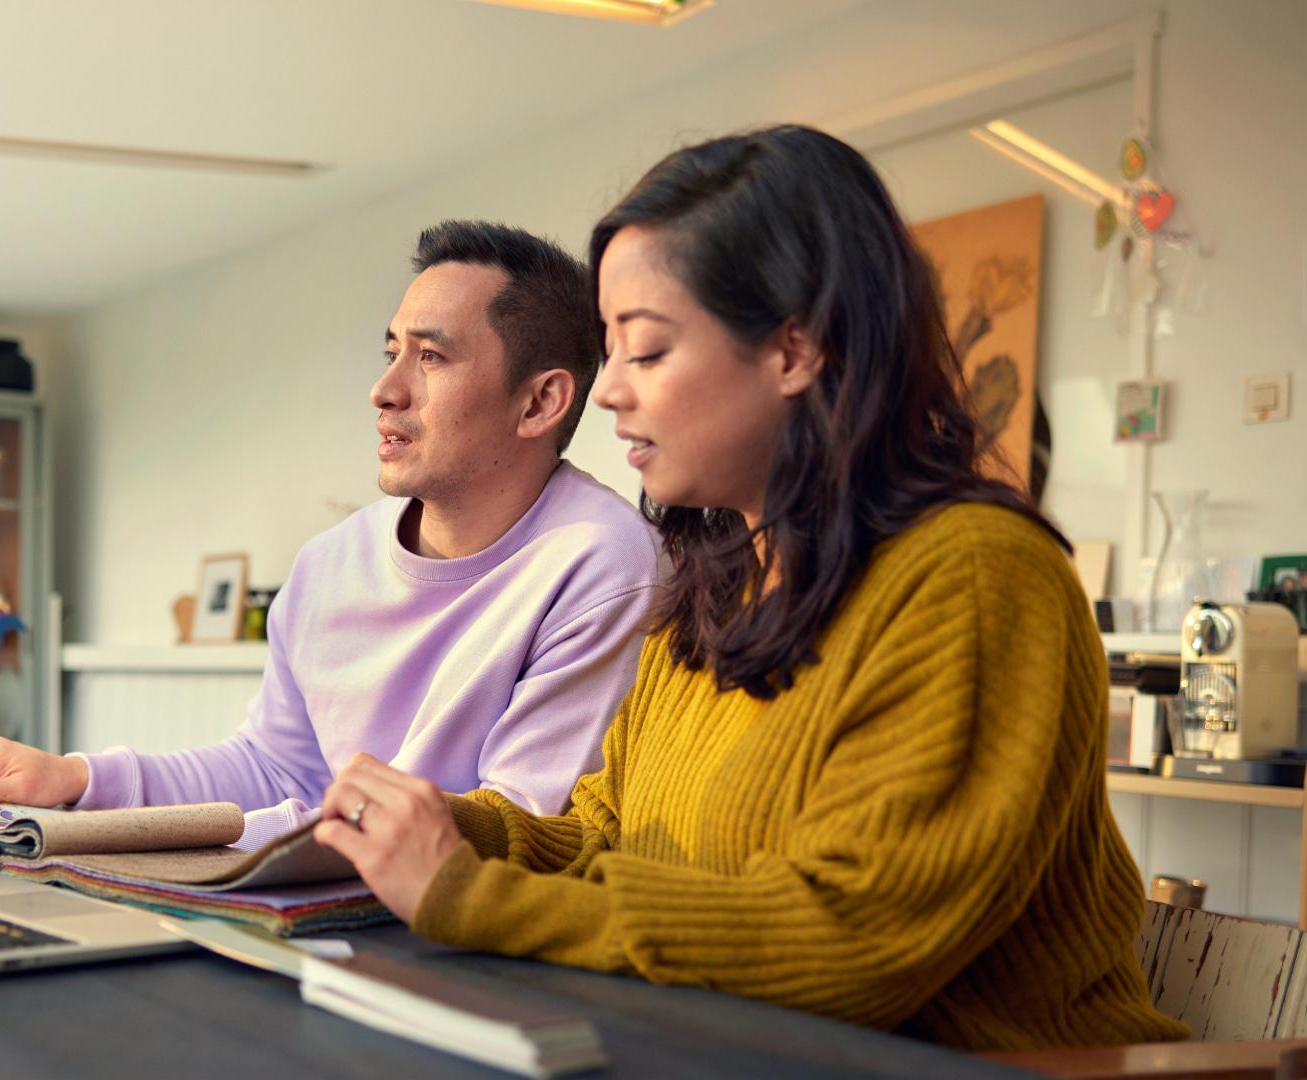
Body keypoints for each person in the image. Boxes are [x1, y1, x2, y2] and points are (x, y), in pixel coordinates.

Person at [313, 127, 1186, 1051]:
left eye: (644, 352)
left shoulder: (977, 578)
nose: (605, 391)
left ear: (794, 350)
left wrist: (464, 892)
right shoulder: (713, 582)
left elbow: (853, 941)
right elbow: (608, 840)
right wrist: (442, 827)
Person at [0, 220, 662, 847]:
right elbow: (276, 769)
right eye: (391, 351)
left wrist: (251, 844)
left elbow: (520, 826)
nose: (384, 390)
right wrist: (78, 782)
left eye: (431, 357)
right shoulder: (330, 564)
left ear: (539, 404)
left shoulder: (604, 563)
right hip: (317, 906)